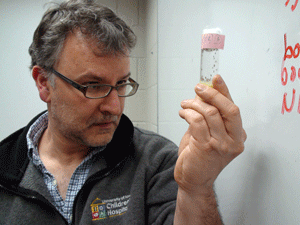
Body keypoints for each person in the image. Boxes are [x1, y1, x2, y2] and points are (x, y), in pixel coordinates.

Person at [0, 1, 246, 224]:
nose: (115, 107)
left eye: (121, 84)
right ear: (44, 82)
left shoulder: (157, 161)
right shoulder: (5, 168)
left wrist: (195, 188)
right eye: (93, 86)